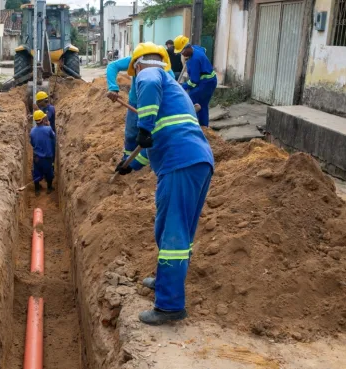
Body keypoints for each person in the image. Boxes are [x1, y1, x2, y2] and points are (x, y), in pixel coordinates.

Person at [115, 42, 214, 325]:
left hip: (181, 163)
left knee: (174, 235)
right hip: (191, 161)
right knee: (169, 229)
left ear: (138, 65)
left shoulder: (150, 74)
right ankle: (163, 282)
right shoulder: (173, 92)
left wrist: (143, 127)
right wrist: (129, 165)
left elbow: (147, 127)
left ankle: (169, 306)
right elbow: (150, 145)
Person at [106, 43, 173, 172]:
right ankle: (128, 159)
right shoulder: (135, 60)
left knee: (155, 134)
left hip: (155, 104)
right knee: (131, 133)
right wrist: (113, 88)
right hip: (135, 102)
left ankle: (150, 162)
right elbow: (112, 66)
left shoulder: (167, 72)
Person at [173, 35, 217, 127]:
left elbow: (194, 82)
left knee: (192, 99)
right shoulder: (196, 48)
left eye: (182, 51)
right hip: (210, 80)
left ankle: (197, 125)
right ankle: (203, 126)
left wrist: (182, 86)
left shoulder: (194, 61)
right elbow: (204, 49)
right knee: (202, 104)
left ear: (187, 48)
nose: (182, 54)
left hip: (206, 83)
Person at [30, 110, 56, 196]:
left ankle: (37, 190)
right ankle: (49, 188)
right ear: (42, 119)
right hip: (47, 156)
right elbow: (53, 136)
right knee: (49, 172)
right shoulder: (48, 129)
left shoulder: (32, 131)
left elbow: (32, 143)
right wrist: (48, 125)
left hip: (37, 156)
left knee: (36, 172)